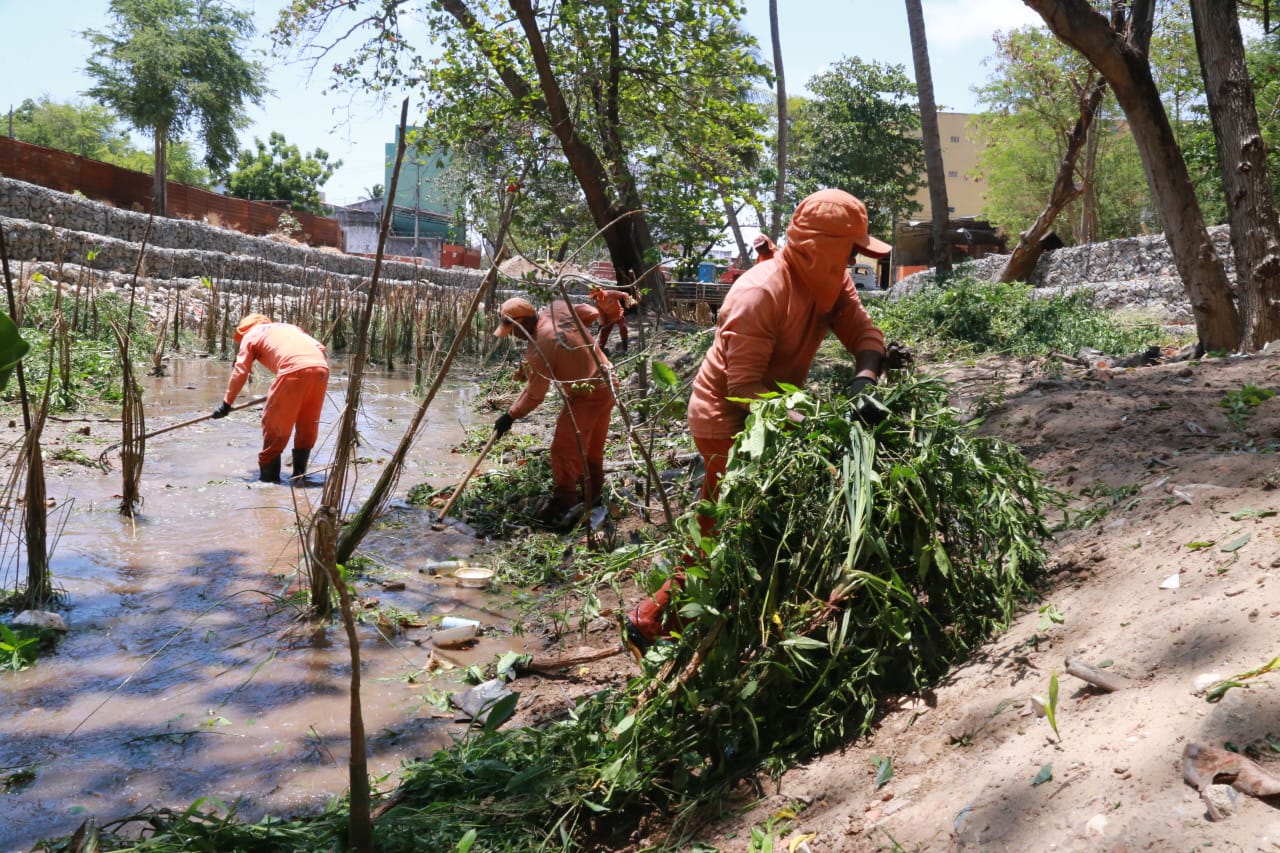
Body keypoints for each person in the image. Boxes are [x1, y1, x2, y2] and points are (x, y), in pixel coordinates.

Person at [626, 188, 891, 650]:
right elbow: (743, 387)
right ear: (820, 249)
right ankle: (651, 623)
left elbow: (861, 330)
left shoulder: (830, 283)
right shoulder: (759, 293)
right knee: (722, 525)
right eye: (849, 251)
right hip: (725, 417)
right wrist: (806, 426)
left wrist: (865, 378)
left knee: (757, 520)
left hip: (776, 412)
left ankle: (736, 615)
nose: (852, 263)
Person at [492, 296, 615, 522]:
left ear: (523, 323)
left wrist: (509, 416)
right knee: (591, 448)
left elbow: (536, 395)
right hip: (609, 380)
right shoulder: (557, 307)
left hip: (587, 392)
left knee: (564, 449)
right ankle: (594, 495)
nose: (513, 336)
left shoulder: (540, 346)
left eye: (512, 330)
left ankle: (564, 503)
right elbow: (591, 313)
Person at [211, 313, 329, 483]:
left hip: (292, 370)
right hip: (321, 369)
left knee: (274, 424)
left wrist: (226, 404)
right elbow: (321, 348)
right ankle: (300, 477)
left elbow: (240, 371)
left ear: (244, 330)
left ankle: (269, 482)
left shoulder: (251, 335)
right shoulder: (289, 327)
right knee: (307, 423)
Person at [588, 284, 636, 354]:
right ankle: (601, 352)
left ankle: (625, 348)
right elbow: (601, 314)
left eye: (595, 295)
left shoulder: (611, 293)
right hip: (608, 319)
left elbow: (625, 294)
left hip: (619, 315)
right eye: (594, 297)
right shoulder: (597, 302)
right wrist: (602, 324)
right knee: (603, 334)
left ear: (600, 292)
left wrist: (629, 306)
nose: (595, 298)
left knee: (623, 327)